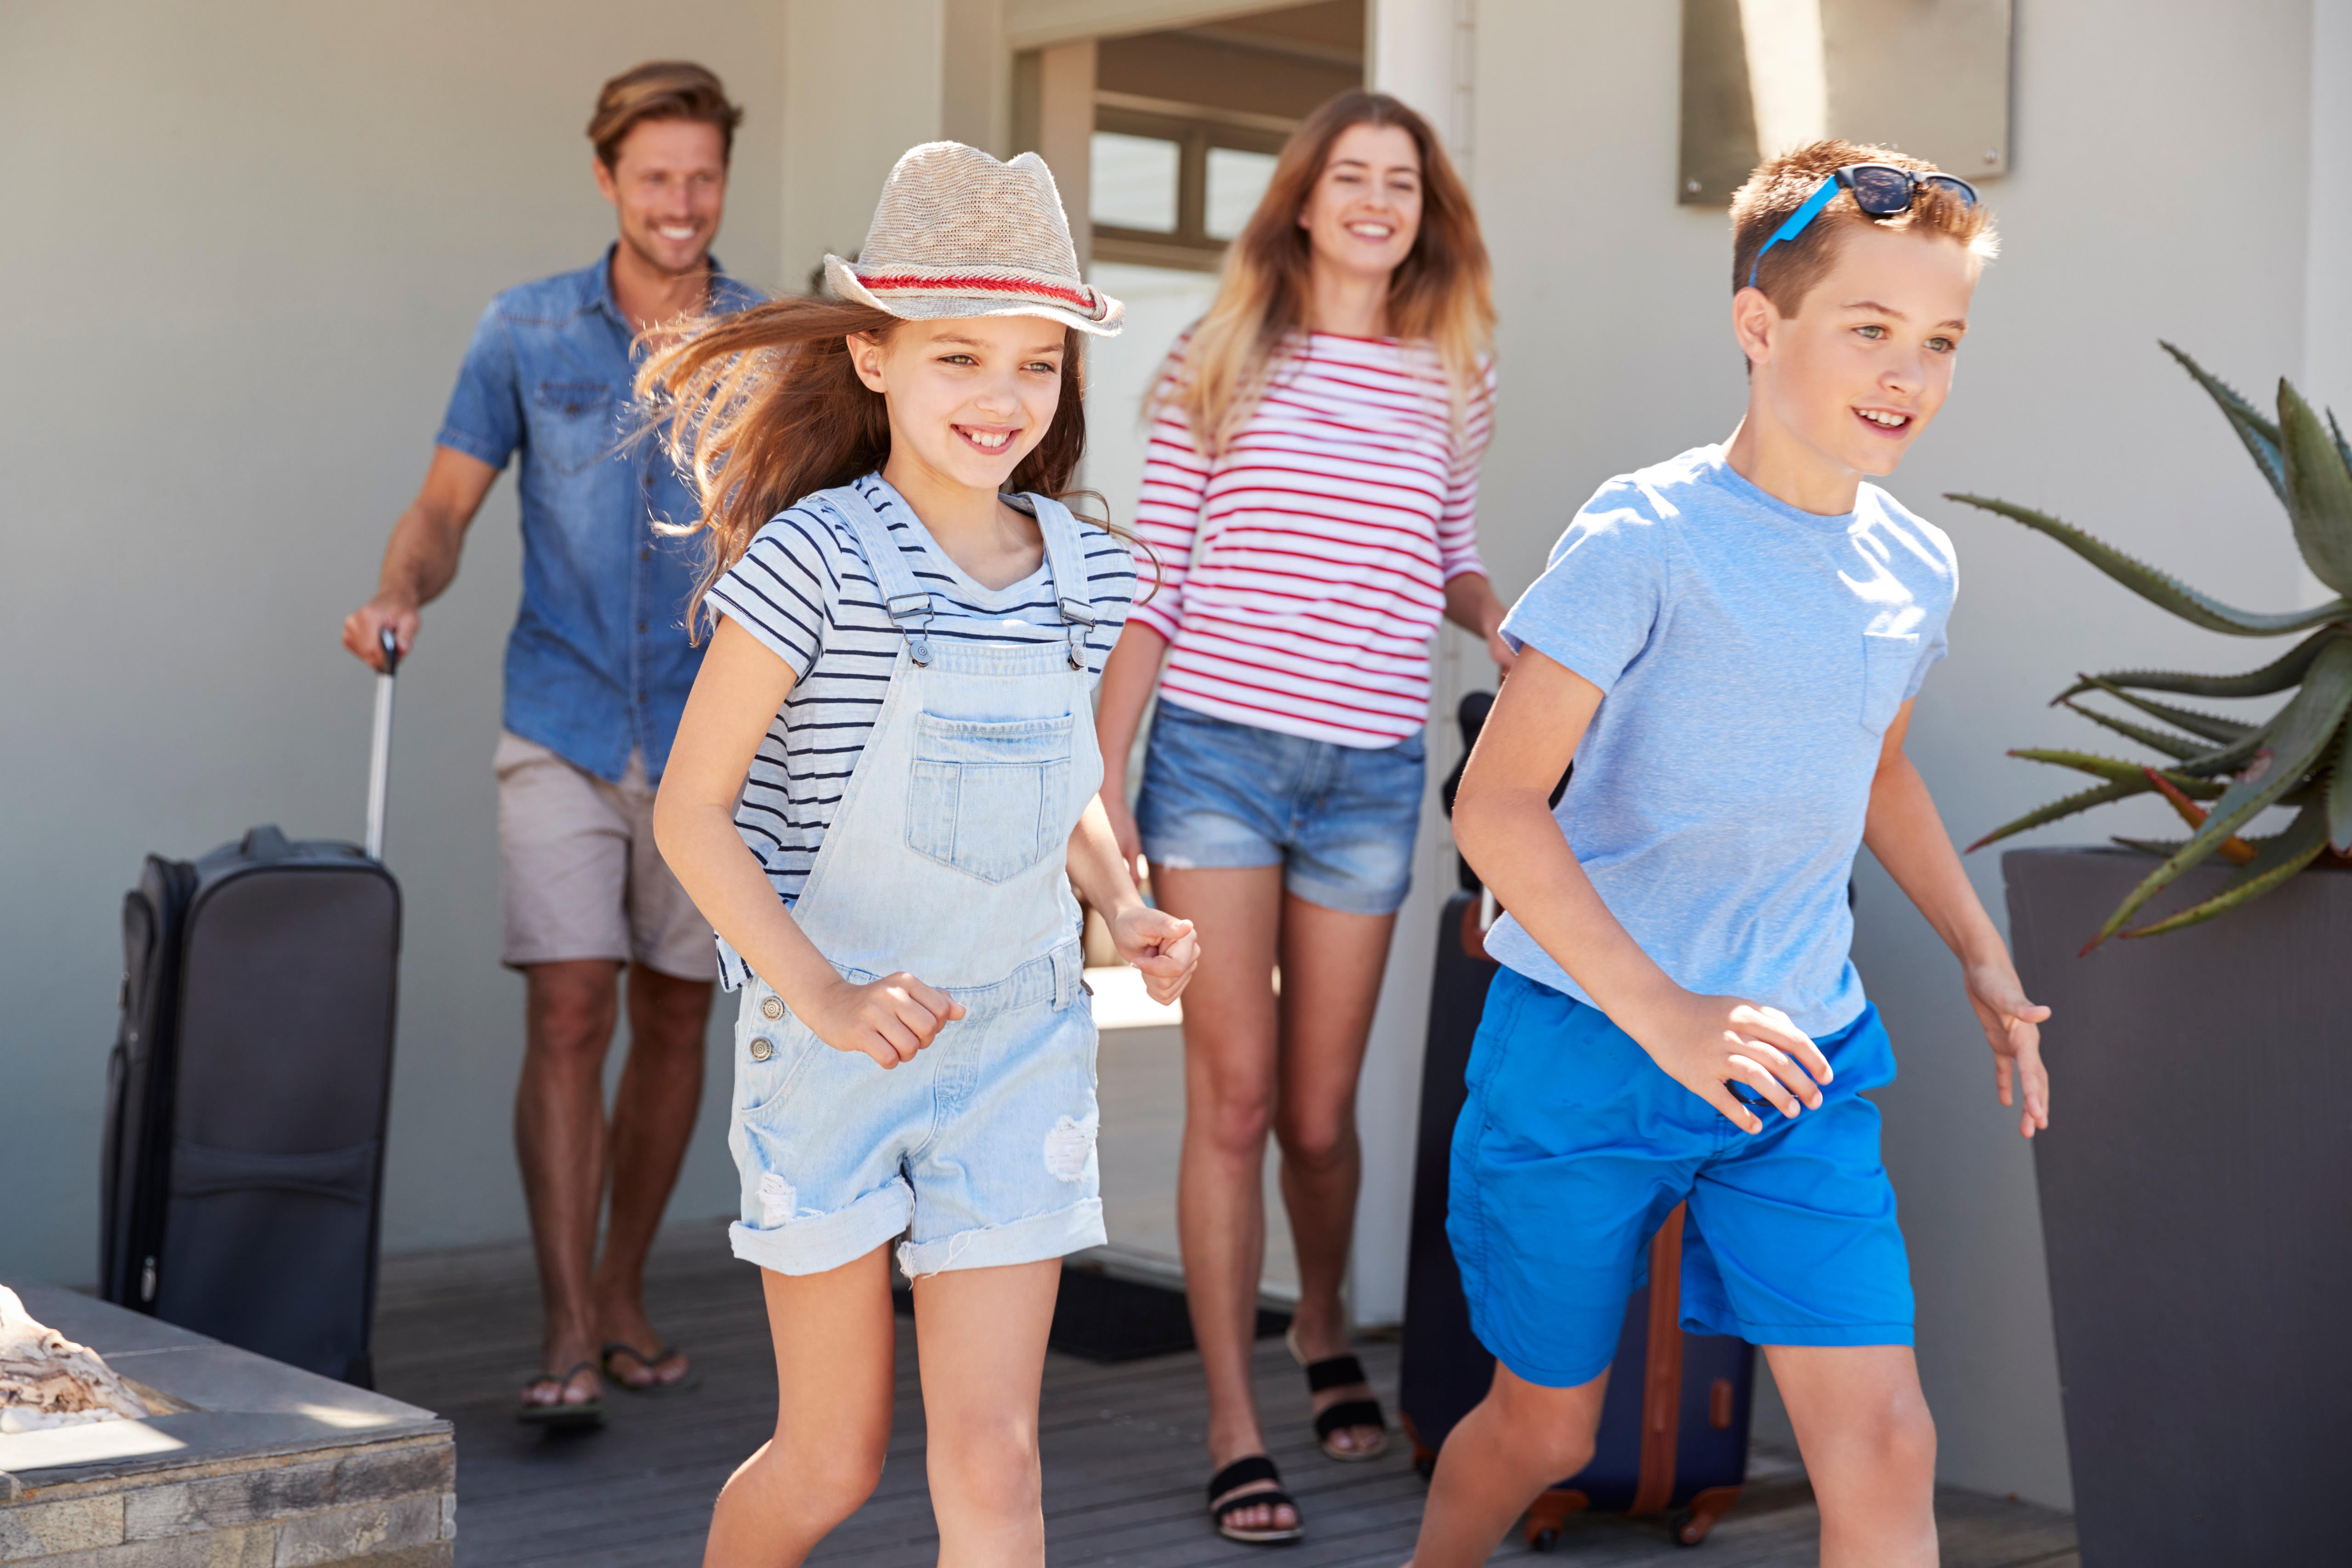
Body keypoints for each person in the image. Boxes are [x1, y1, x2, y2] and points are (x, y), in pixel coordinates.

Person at [1408, 141, 2052, 1568]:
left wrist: (1980, 953)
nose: (1909, 373)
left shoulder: (1914, 566)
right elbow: (1496, 807)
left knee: (1888, 1445)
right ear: (1761, 327)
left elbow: (1878, 772)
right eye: (1870, 329)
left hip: (1797, 1062)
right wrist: (1668, 1015)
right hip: (1587, 1047)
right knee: (1545, 1432)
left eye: (1940, 340)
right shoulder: (1643, 537)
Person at [642, 142, 1199, 1568]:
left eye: (1036, 363)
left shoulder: (1088, 569)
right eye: (960, 357)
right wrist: (824, 996)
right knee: (828, 1463)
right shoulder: (815, 558)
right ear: (874, 357)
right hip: (830, 1050)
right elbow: (690, 815)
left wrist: (1124, 907)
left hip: (1018, 1045)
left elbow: (1060, 782)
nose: (1003, 399)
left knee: (997, 1465)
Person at [1091, 90, 1507, 1543]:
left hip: (1369, 772)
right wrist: (1101, 775)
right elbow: (1151, 587)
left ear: (1422, 211)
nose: (1379, 199)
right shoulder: (1218, 358)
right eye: (1353, 176)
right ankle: (1231, 1420)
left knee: (1322, 1121)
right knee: (1239, 1101)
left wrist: (1504, 619)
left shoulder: (1455, 370)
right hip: (1213, 761)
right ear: (1305, 201)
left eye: (1403, 180)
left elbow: (1448, 557)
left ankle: (1320, 1318)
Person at [339, 62, 761, 1425]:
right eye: (655, 177)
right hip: (565, 720)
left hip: (717, 741)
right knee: (573, 1005)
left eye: (702, 176)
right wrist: (402, 587)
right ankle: (569, 1322)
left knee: (678, 1012)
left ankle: (625, 1284)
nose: (681, 203)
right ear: (607, 180)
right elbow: (445, 508)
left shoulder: (769, 341)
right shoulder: (523, 332)